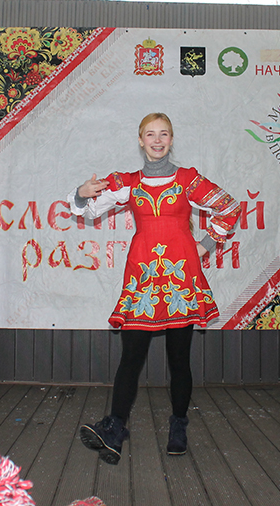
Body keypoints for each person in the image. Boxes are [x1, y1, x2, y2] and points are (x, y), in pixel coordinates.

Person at [68, 113, 239, 464]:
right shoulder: (128, 182)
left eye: (163, 134)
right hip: (144, 276)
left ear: (171, 140)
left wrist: (203, 246)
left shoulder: (187, 179)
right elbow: (86, 210)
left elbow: (229, 208)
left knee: (179, 358)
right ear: (141, 140)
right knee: (131, 356)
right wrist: (81, 194)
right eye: (150, 134)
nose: (157, 140)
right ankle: (115, 427)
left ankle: (178, 426)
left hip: (180, 278)